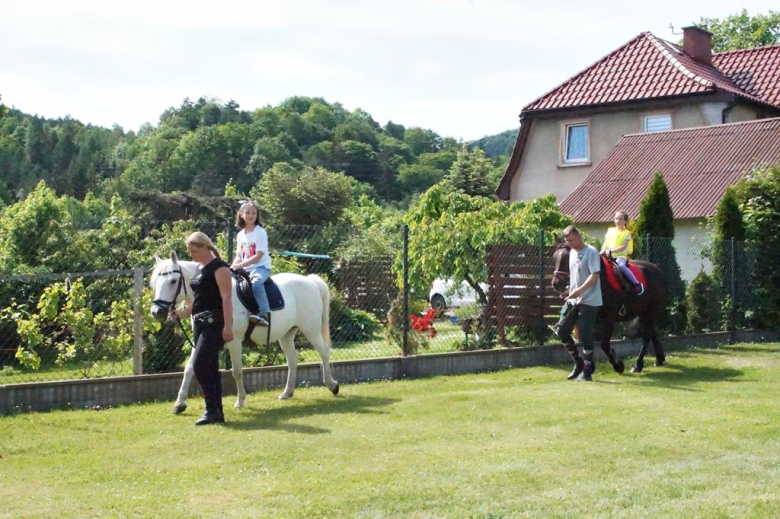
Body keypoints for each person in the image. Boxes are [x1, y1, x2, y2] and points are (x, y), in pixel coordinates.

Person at [171, 232, 234, 425]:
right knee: (211, 367)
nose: (192, 255)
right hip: (199, 323)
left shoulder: (220, 268)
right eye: (190, 251)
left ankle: (210, 409)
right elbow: (198, 301)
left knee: (199, 364)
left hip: (214, 323)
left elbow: (226, 298)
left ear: (205, 247)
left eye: (194, 250)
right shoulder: (200, 268)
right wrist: (181, 314)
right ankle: (217, 412)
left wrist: (228, 326)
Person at [553, 226, 603, 382]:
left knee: (585, 335)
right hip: (573, 299)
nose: (570, 243)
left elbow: (595, 275)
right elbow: (575, 276)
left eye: (571, 240)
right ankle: (578, 363)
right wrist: (569, 290)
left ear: (579, 236)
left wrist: (579, 290)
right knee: (561, 330)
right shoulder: (572, 253)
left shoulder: (591, 252)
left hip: (589, 300)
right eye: (567, 241)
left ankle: (587, 372)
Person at [231, 200, 272, 327]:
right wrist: (232, 267)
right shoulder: (240, 235)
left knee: (256, 283)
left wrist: (241, 265)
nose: (251, 215)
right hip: (246, 269)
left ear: (257, 215)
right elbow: (239, 256)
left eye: (254, 213)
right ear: (241, 215)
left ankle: (265, 314)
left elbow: (258, 256)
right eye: (247, 212)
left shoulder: (260, 232)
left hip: (261, 267)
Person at [601, 211, 644, 295]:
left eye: (620, 219)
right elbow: (605, 243)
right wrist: (602, 251)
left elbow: (623, 247)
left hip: (620, 256)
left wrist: (611, 251)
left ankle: (637, 283)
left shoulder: (626, 233)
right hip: (608, 255)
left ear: (625, 221)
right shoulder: (610, 231)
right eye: (616, 219)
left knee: (621, 266)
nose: (618, 221)